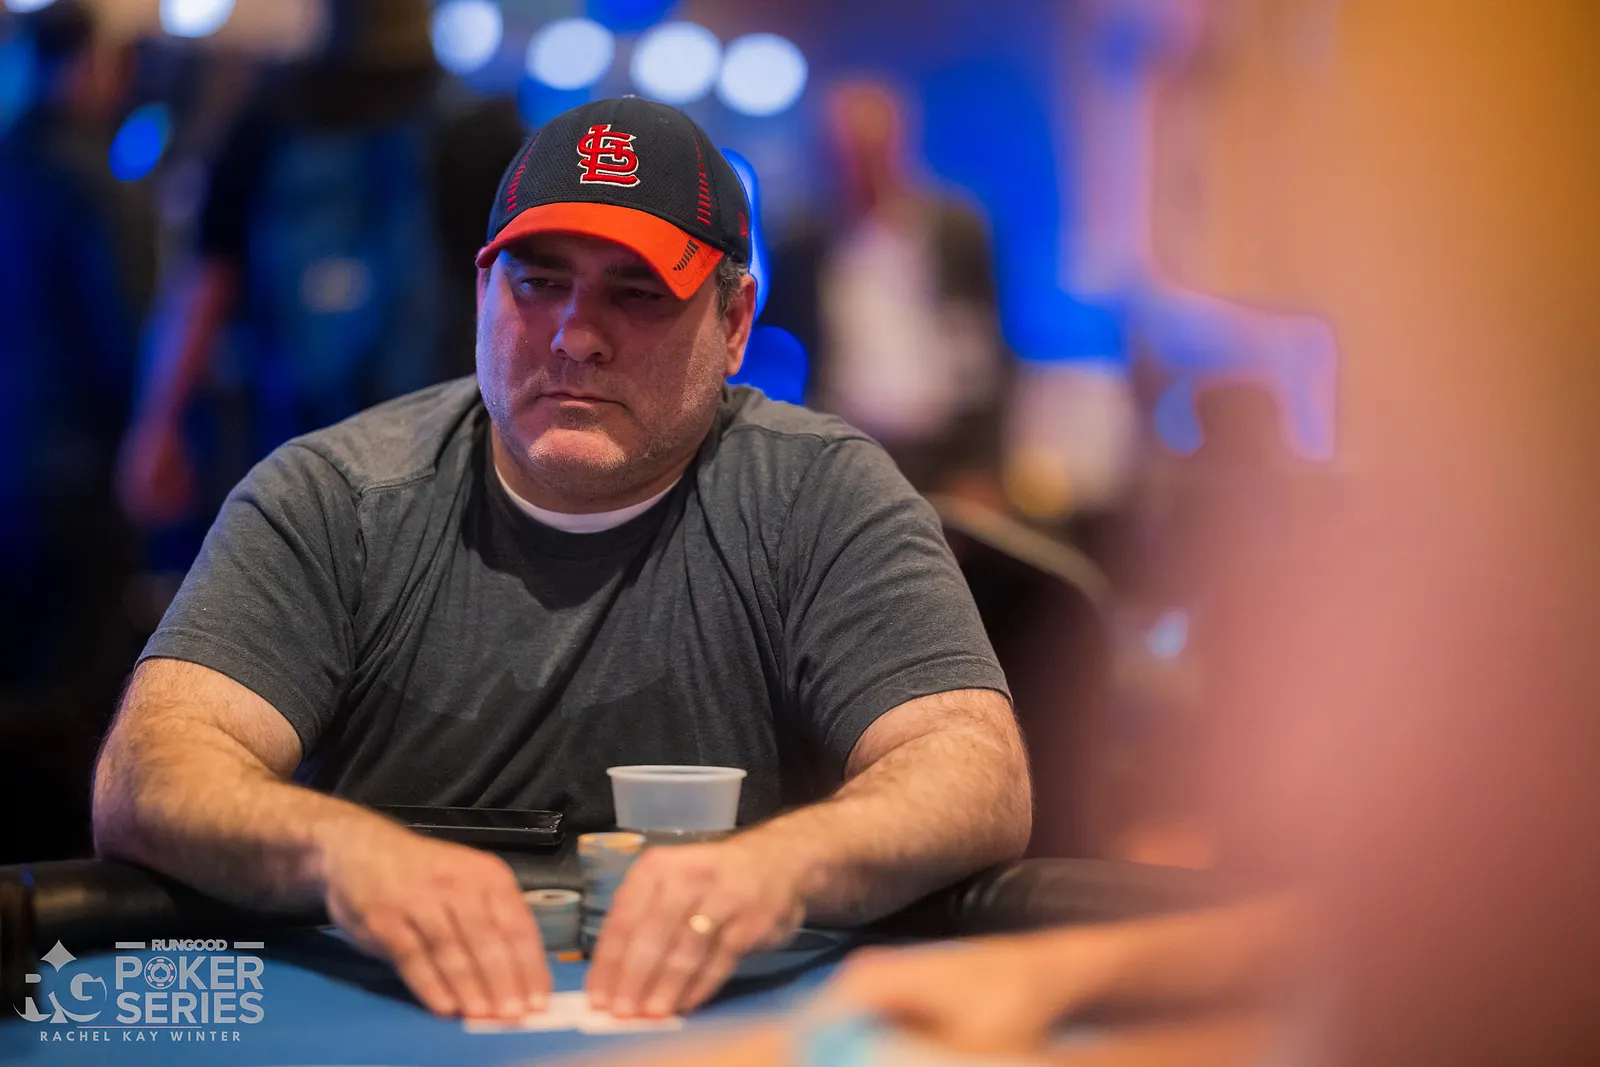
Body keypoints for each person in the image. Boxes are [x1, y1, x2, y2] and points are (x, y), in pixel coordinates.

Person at [92, 97, 1032, 1025]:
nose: (576, 335)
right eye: (539, 282)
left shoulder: (819, 496)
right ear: (482, 294)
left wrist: (776, 865)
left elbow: (973, 767)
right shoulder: (336, 497)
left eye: (637, 292)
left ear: (735, 324)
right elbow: (149, 768)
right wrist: (344, 850)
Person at [116, 0, 524, 545]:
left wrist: (158, 424)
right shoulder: (467, 124)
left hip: (283, 427)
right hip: (431, 430)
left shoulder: (268, 118)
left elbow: (205, 281)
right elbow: (514, 291)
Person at [0, 0, 147, 862]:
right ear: (84, 67)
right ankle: (58, 882)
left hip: (12, 468)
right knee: (77, 696)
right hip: (73, 475)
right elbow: (122, 338)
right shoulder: (93, 179)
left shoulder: (10, 161)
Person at [764, 80, 1011, 500]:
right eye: (848, 154)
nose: (861, 168)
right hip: (846, 445)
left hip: (945, 447)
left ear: (900, 146)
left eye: (872, 151)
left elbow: (989, 349)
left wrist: (983, 463)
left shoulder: (957, 231)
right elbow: (777, 347)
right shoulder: (804, 243)